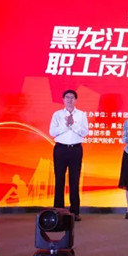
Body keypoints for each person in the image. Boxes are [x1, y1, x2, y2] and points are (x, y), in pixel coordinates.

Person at [49, 89, 88, 221]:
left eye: (72, 97)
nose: (69, 100)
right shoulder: (57, 114)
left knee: (74, 181)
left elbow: (84, 132)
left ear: (75, 100)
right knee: (59, 180)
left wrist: (73, 125)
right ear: (63, 99)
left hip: (75, 150)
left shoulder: (81, 115)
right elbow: (52, 132)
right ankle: (58, 211)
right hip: (60, 149)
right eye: (67, 97)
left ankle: (75, 212)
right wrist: (66, 125)